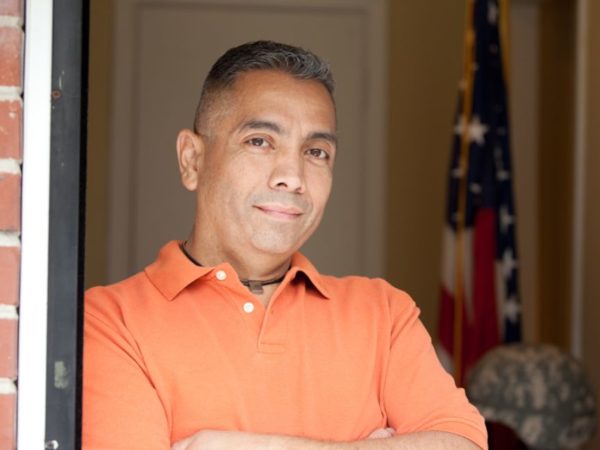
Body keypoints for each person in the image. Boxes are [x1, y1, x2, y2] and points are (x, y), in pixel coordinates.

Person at [83, 40, 488, 450]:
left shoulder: (384, 314)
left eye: (316, 152)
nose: (292, 177)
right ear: (192, 160)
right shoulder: (108, 322)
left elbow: (464, 444)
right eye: (260, 141)